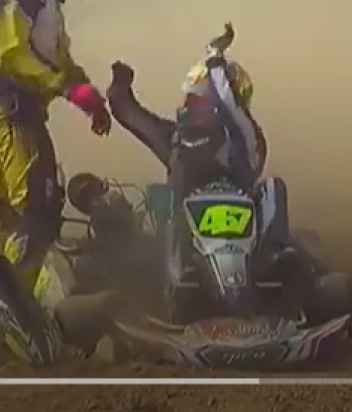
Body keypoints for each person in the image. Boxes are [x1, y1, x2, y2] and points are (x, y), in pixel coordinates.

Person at [0, 0, 117, 291]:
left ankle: (11, 290)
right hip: (9, 110)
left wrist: (88, 95)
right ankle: (18, 304)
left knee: (30, 209)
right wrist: (68, 88)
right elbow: (11, 54)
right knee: (34, 210)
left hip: (24, 112)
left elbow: (57, 57)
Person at [106, 30, 294, 261]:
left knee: (274, 187)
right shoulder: (177, 139)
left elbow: (227, 105)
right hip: (191, 243)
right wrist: (119, 88)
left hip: (244, 238)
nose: (192, 108)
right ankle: (177, 268)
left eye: (199, 100)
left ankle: (276, 254)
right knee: (158, 196)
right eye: (191, 101)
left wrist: (215, 59)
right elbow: (134, 117)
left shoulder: (244, 137)